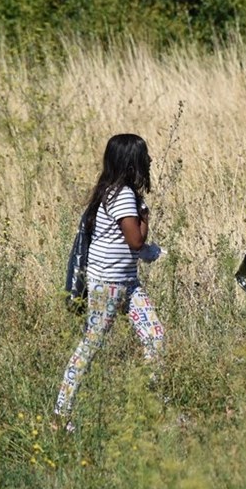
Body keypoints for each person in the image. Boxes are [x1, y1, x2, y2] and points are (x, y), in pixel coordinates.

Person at [53, 134, 165, 431]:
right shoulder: (123, 196)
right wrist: (145, 216)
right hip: (110, 284)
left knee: (155, 336)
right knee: (91, 345)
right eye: (145, 156)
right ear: (132, 163)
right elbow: (136, 240)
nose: (149, 161)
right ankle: (60, 414)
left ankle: (150, 406)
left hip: (127, 283)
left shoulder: (113, 192)